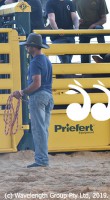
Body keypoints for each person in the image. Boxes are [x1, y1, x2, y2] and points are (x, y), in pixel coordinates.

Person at [13, 33, 53, 168]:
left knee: (38, 130)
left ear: (33, 47)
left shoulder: (35, 61)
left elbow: (36, 83)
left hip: (38, 96)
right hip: (48, 96)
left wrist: (22, 92)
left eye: (28, 46)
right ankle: (43, 158)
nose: (27, 48)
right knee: (43, 129)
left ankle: (41, 160)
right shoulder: (46, 60)